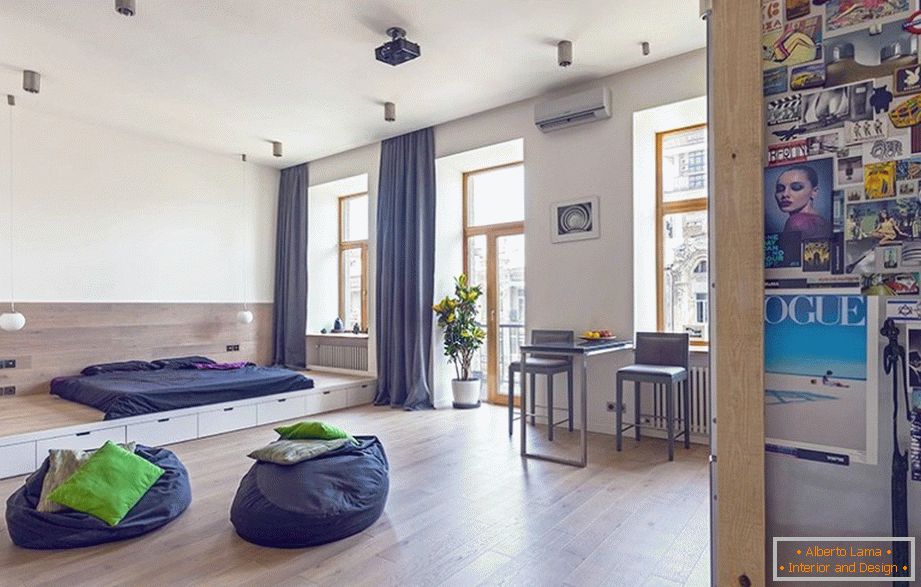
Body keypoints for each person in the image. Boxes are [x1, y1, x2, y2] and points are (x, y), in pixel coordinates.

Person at [774, 165, 832, 239]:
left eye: (796, 187)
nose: (785, 194)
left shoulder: (796, 222)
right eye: (780, 189)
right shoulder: (824, 222)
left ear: (814, 191)